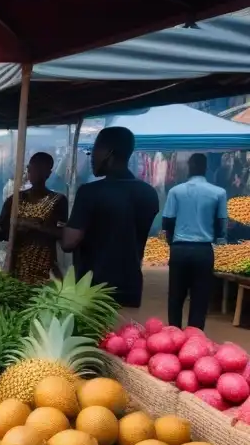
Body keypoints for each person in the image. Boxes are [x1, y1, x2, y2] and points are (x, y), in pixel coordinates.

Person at [62, 127, 159, 308]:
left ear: (109, 153)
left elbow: (69, 242)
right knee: (125, 335)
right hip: (130, 286)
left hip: (92, 289)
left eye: (95, 149)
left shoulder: (89, 192)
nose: (92, 157)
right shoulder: (149, 193)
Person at [162, 153, 227, 329]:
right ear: (206, 169)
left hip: (180, 249)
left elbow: (167, 221)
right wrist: (215, 237)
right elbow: (221, 224)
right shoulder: (219, 193)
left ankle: (173, 333)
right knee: (200, 298)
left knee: (175, 296)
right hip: (204, 251)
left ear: (189, 167)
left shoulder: (175, 191)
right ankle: (194, 337)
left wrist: (173, 243)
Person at [0, 152, 69, 285]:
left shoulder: (58, 200)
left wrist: (39, 227)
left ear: (49, 173)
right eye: (33, 169)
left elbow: (63, 233)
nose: (36, 173)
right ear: (28, 169)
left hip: (45, 265)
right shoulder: (15, 199)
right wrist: (19, 224)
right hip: (17, 264)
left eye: (41, 170)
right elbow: (2, 230)